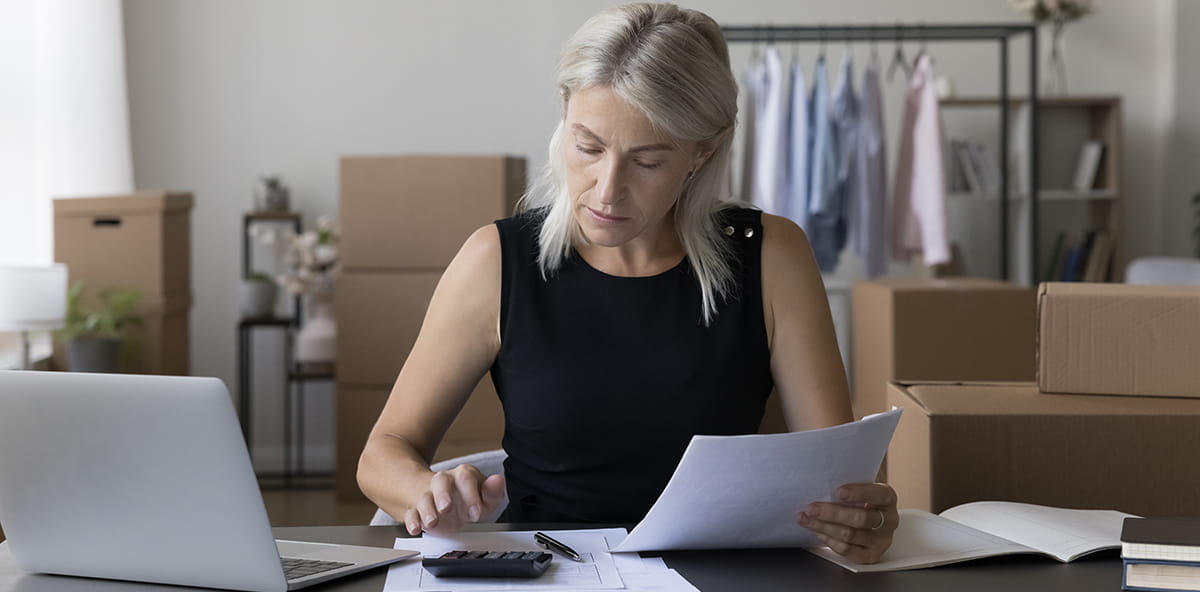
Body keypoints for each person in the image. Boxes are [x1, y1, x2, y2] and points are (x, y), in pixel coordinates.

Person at [358, 2, 899, 564]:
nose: (606, 190)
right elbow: (383, 454)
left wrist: (862, 517)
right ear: (564, 113)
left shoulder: (771, 256)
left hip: (721, 573)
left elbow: (838, 477)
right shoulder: (496, 261)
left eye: (647, 162)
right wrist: (423, 491)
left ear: (702, 151)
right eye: (587, 147)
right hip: (549, 572)